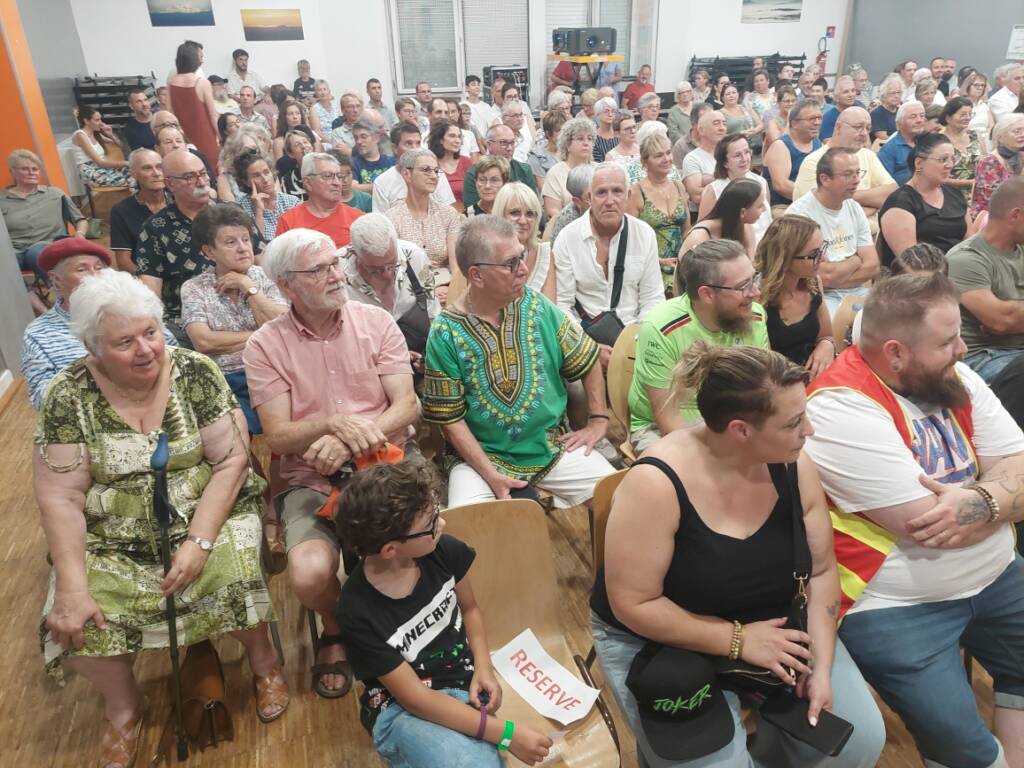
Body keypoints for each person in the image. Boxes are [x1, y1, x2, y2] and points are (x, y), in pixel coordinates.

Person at [35, 269, 287, 768]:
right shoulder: (68, 395)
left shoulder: (195, 372)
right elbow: (60, 496)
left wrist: (199, 541)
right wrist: (72, 587)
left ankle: (264, 664)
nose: (145, 349)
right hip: (112, 533)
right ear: (92, 347)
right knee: (73, 619)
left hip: (208, 510)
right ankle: (122, 706)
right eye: (124, 342)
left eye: (150, 332)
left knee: (235, 573)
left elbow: (231, 462)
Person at [595, 342, 885, 767]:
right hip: (662, 634)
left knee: (858, 741)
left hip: (766, 619)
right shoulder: (656, 483)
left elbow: (822, 572)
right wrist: (738, 640)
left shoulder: (793, 463)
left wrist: (821, 667)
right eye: (794, 423)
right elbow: (633, 604)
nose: (809, 431)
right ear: (741, 430)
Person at [805, 272, 1024, 768]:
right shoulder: (838, 405)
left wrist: (981, 503)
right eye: (947, 341)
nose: (963, 350)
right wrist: (1002, 495)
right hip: (897, 605)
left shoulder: (952, 376)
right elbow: (931, 526)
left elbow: (1016, 466)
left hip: (997, 575)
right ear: (896, 353)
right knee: (963, 750)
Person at [244, 228, 418, 699]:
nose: (335, 275)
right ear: (285, 284)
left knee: (416, 546)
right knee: (308, 574)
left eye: (334, 263)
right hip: (312, 477)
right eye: (317, 270)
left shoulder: (376, 322)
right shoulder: (265, 345)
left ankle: (410, 620)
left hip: (386, 464)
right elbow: (278, 435)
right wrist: (334, 424)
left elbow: (407, 405)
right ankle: (336, 626)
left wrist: (353, 442)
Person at [335, 458, 553, 768]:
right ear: (390, 549)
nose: (442, 524)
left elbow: (471, 609)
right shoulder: (356, 610)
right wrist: (507, 734)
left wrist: (484, 667)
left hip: (461, 685)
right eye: (431, 523)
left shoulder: (444, 550)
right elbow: (416, 700)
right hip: (399, 708)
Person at [423, 214, 615, 506]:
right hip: (479, 460)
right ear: (477, 275)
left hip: (551, 448)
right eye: (511, 263)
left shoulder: (535, 305)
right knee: (472, 526)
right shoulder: (445, 333)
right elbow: (451, 420)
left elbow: (587, 356)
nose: (524, 270)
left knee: (620, 499)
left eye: (522, 257)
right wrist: (491, 475)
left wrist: (598, 419)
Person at [629, 239, 769, 448]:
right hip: (663, 429)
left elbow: (765, 386)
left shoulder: (753, 316)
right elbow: (669, 422)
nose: (756, 293)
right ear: (707, 294)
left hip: (734, 421)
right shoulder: (661, 328)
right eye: (743, 286)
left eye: (754, 279)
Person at [21, 238, 176, 409]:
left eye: (99, 268)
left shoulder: (135, 308)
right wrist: (110, 396)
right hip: (87, 418)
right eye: (82, 269)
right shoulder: (39, 334)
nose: (94, 276)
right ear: (56, 279)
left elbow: (174, 359)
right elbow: (42, 398)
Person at [181, 204, 288, 434]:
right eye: (231, 242)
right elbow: (204, 342)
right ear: (209, 251)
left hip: (276, 370)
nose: (243, 248)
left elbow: (284, 327)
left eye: (246, 239)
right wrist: (264, 334)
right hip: (226, 378)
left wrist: (248, 287)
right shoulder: (194, 288)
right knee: (237, 428)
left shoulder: (266, 276)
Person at [555, 162, 664, 358]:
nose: (609, 201)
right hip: (583, 342)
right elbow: (562, 304)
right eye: (601, 192)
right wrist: (588, 348)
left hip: (634, 340)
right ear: (589, 197)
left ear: (628, 195)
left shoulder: (644, 234)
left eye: (617, 191)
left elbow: (652, 299)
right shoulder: (567, 238)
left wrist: (633, 345)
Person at [136, 149, 225, 340]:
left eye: (203, 174)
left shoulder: (231, 215)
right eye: (190, 177)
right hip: (184, 319)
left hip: (242, 307)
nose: (201, 182)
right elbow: (150, 294)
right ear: (170, 184)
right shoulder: (156, 228)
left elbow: (262, 265)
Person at [946, 176, 1024, 382]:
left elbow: (1005, 319)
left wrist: (1012, 315)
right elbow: (1002, 321)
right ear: (1016, 215)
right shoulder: (965, 258)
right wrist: (1006, 318)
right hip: (985, 356)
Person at [786, 148, 880, 315]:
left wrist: (835, 274)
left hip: (858, 291)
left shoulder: (854, 207)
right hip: (818, 295)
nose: (857, 180)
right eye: (848, 174)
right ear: (825, 179)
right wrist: (855, 261)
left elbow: (872, 266)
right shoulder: (799, 216)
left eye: (858, 173)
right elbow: (822, 277)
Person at [341, 213, 440, 368]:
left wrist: (433, 358)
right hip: (366, 362)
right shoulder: (337, 271)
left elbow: (433, 315)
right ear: (354, 253)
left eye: (393, 264)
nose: (387, 274)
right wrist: (393, 356)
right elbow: (339, 339)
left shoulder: (414, 256)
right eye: (375, 269)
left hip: (418, 351)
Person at [1, 148, 87, 310]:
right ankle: (44, 311)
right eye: (25, 169)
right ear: (12, 171)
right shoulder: (2, 200)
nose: (31, 173)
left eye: (35, 169)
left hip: (47, 244)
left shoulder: (54, 194)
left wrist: (80, 234)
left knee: (37, 253)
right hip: (14, 249)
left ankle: (63, 298)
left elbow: (80, 219)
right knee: (3, 262)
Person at [878, 133, 977, 267]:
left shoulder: (954, 194)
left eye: (953, 159)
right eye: (943, 159)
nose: (950, 165)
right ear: (919, 163)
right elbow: (911, 263)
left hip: (959, 269)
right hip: (922, 274)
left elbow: (969, 243)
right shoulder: (900, 203)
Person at [756, 215, 835, 376]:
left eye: (822, 249)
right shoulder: (757, 298)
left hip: (814, 374)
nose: (823, 259)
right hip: (781, 378)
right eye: (814, 254)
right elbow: (766, 366)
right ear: (784, 260)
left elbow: (826, 336)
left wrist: (826, 345)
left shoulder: (813, 284)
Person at [793, 107, 897, 228]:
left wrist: (843, 196)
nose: (864, 133)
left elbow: (892, 194)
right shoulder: (814, 162)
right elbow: (822, 212)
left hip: (874, 233)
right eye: (858, 127)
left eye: (868, 128)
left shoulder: (868, 155)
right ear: (838, 127)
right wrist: (873, 204)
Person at [385, 149, 462, 303]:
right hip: (409, 296)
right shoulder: (391, 219)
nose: (433, 176)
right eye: (426, 170)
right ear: (407, 174)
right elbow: (394, 272)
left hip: (446, 290)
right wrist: (429, 292)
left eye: (436, 171)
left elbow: (456, 267)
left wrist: (453, 291)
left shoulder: (449, 214)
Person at [627, 131, 688, 288]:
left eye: (668, 153)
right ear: (644, 162)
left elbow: (686, 231)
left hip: (680, 266)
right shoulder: (636, 192)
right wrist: (659, 261)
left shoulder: (679, 186)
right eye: (659, 155)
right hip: (650, 268)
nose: (666, 159)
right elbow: (630, 238)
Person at [697, 133, 772, 243]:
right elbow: (702, 229)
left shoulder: (761, 182)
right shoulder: (713, 190)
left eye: (747, 152)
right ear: (725, 163)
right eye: (737, 155)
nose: (744, 159)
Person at [109, 149, 171, 273]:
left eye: (160, 167)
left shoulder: (180, 201)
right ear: (133, 174)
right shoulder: (121, 211)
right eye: (147, 168)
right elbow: (124, 261)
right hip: (146, 276)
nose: (156, 173)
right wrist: (146, 281)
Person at [373, 122, 456, 212]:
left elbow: (449, 211)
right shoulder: (382, 182)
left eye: (418, 143)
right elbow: (381, 219)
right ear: (395, 148)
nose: (415, 149)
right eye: (408, 144)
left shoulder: (435, 174)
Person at [678, 177, 763, 263]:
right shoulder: (699, 237)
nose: (764, 209)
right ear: (743, 212)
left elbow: (751, 264)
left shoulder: (746, 227)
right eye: (760, 206)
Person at [493, 182, 555, 299]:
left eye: (530, 214)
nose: (523, 221)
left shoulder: (545, 253)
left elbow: (550, 305)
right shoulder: (487, 253)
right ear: (501, 215)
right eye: (514, 213)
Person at [763, 100, 823, 216]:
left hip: (813, 202)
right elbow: (781, 186)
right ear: (794, 123)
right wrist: (818, 200)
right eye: (812, 119)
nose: (817, 123)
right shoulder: (781, 146)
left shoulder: (817, 143)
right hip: (783, 206)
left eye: (819, 118)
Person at [166, 42, 219, 166]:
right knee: (209, 169)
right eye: (200, 57)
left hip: (183, 138)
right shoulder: (203, 83)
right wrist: (222, 137)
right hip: (205, 136)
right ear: (193, 59)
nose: (202, 60)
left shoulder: (171, 82)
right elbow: (213, 115)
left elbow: (169, 114)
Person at [461, 124, 537, 210]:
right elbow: (473, 209)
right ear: (489, 145)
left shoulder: (524, 170)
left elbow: (533, 206)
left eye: (512, 143)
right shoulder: (475, 172)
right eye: (503, 143)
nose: (509, 148)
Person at [234, 151, 301, 241]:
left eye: (267, 172)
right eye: (257, 176)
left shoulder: (292, 202)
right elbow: (255, 244)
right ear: (246, 182)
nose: (265, 180)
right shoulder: (240, 209)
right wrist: (259, 211)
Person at [542, 117, 596, 220]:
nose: (586, 143)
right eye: (580, 138)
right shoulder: (555, 173)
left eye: (589, 139)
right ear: (567, 145)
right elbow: (553, 212)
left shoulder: (599, 169)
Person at [970, 114, 1024, 217]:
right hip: (994, 215)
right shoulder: (989, 162)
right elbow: (991, 199)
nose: (1022, 134)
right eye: (1017, 131)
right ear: (1000, 137)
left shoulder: (1021, 156)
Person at [71, 106, 132, 188]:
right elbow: (100, 162)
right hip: (91, 170)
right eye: (97, 120)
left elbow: (119, 145)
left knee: (134, 174)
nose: (101, 123)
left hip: (102, 168)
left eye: (100, 119)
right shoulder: (80, 135)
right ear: (86, 121)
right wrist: (125, 163)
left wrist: (111, 135)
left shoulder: (96, 134)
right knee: (124, 180)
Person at [681, 109, 727, 211]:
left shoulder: (731, 154)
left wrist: (709, 180)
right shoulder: (693, 158)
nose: (722, 128)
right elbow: (696, 196)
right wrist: (727, 179)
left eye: (724, 124)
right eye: (716, 124)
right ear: (701, 130)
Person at [940, 95, 983, 202]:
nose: (967, 117)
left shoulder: (975, 136)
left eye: (970, 114)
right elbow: (937, 176)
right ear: (948, 118)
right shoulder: (939, 141)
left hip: (978, 192)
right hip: (950, 195)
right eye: (963, 114)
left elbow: (986, 164)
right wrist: (969, 183)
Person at [878, 101, 926, 184]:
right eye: (913, 117)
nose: (919, 120)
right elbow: (884, 184)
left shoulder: (929, 142)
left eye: (922, 116)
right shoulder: (889, 150)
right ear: (899, 124)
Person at [429, 121, 472, 208]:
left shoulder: (467, 162)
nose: (457, 141)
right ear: (441, 140)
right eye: (452, 136)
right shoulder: (430, 164)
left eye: (459, 137)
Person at [550, 163, 594, 245]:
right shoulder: (566, 222)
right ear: (577, 201)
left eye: (600, 192)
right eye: (590, 197)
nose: (599, 199)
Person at [719, 84, 763, 165]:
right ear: (722, 98)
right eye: (728, 94)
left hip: (754, 148)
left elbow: (760, 124)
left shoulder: (746, 108)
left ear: (738, 94)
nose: (731, 95)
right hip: (735, 150)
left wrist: (754, 131)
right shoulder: (719, 114)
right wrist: (739, 134)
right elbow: (720, 136)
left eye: (734, 92)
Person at [351, 116, 396, 193]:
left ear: (376, 138)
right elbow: (353, 188)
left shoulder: (391, 161)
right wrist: (384, 187)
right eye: (356, 138)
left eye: (363, 137)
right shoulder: (353, 163)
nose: (358, 141)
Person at [528, 110, 566, 189]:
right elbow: (543, 188)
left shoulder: (572, 151)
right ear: (548, 133)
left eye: (565, 130)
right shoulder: (536, 157)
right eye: (558, 131)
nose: (563, 134)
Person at [819, 76, 858, 141]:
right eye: (846, 92)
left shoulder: (859, 113)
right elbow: (827, 142)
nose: (851, 95)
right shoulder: (828, 117)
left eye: (853, 90)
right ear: (837, 97)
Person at [961, 70, 994, 144]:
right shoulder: (961, 104)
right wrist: (978, 138)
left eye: (982, 85)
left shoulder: (984, 105)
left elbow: (991, 126)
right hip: (969, 140)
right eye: (976, 85)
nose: (980, 88)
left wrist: (986, 138)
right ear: (968, 87)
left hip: (987, 139)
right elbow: (961, 127)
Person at [870, 73, 903, 142]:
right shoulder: (877, 113)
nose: (897, 96)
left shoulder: (902, 111)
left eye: (898, 92)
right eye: (893, 93)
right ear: (883, 95)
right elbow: (883, 138)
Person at [592, 97, 620, 163]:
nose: (610, 114)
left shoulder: (620, 134)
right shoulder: (594, 138)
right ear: (598, 114)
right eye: (606, 111)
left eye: (613, 111)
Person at [666, 82, 695, 146]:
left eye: (687, 91)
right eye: (682, 92)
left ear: (691, 93)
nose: (685, 94)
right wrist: (689, 141)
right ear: (677, 95)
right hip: (683, 145)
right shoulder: (673, 112)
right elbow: (674, 134)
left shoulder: (697, 107)